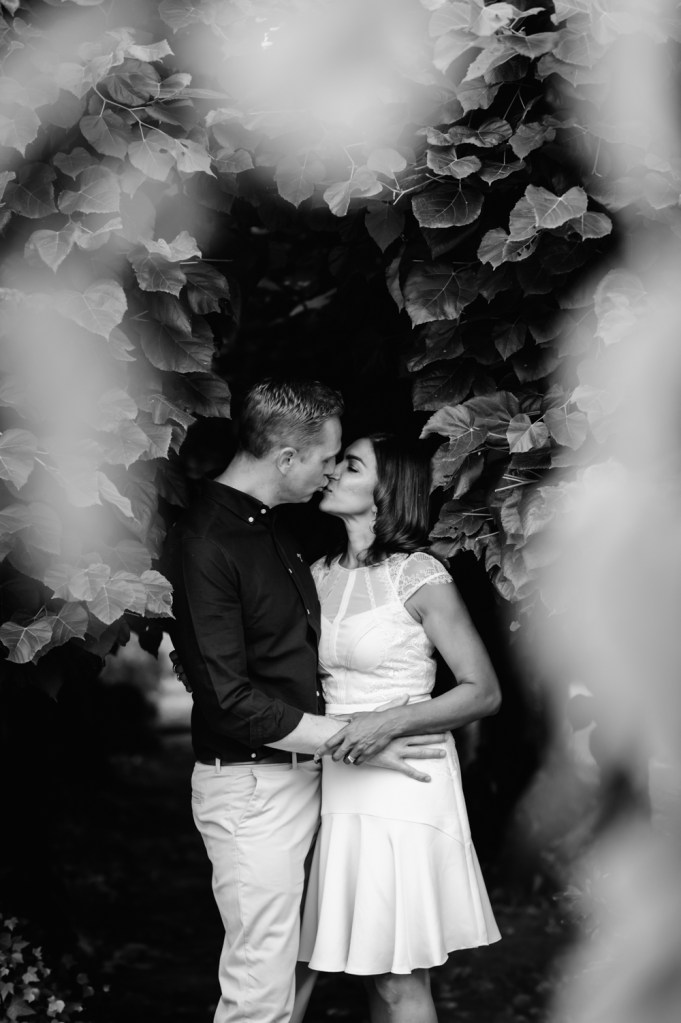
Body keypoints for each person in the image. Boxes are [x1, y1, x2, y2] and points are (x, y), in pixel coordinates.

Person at [163, 380, 447, 1023]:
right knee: (260, 984)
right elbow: (228, 699)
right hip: (253, 788)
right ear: (287, 459)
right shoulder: (207, 540)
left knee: (300, 971)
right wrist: (356, 734)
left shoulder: (277, 532)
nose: (330, 471)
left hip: (318, 781)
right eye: (328, 457)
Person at [297, 432, 502, 1023]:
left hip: (405, 779)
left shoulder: (419, 575)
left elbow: (482, 690)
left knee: (395, 976)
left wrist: (389, 720)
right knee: (362, 970)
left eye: (350, 464)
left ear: (387, 490)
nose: (332, 471)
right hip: (334, 778)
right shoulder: (316, 573)